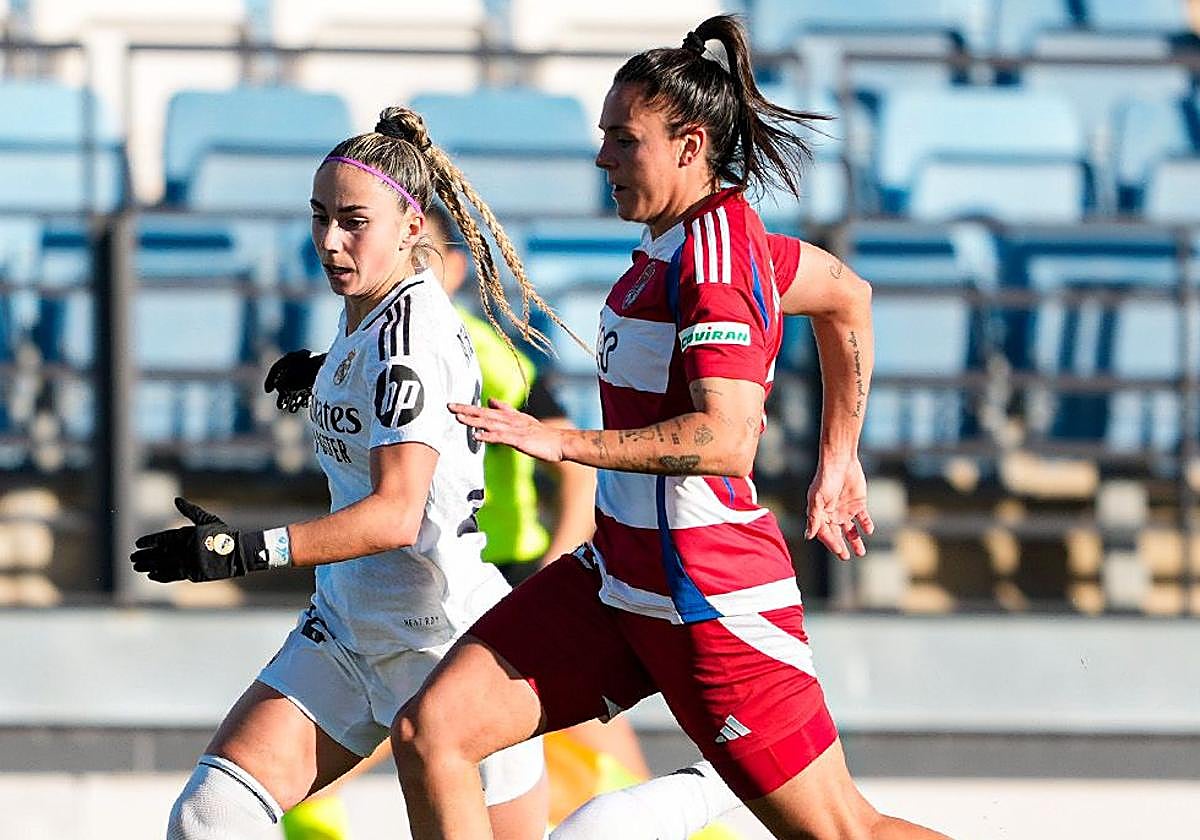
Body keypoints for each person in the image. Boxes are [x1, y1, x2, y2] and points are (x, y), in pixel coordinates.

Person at [391, 15, 953, 840]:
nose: (603, 158)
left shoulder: (713, 263)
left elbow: (725, 439)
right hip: (617, 578)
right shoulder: (697, 240)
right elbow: (847, 296)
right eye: (603, 137)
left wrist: (564, 442)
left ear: (691, 146)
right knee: (431, 732)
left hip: (709, 599)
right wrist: (839, 457)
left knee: (843, 832)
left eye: (624, 140)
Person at [129, 105, 572, 840]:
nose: (330, 241)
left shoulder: (406, 339)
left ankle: (696, 795)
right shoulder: (369, 310)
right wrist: (331, 370)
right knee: (212, 817)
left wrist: (245, 550)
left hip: (442, 645)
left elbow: (397, 515)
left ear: (410, 225)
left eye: (353, 222)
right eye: (319, 217)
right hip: (346, 630)